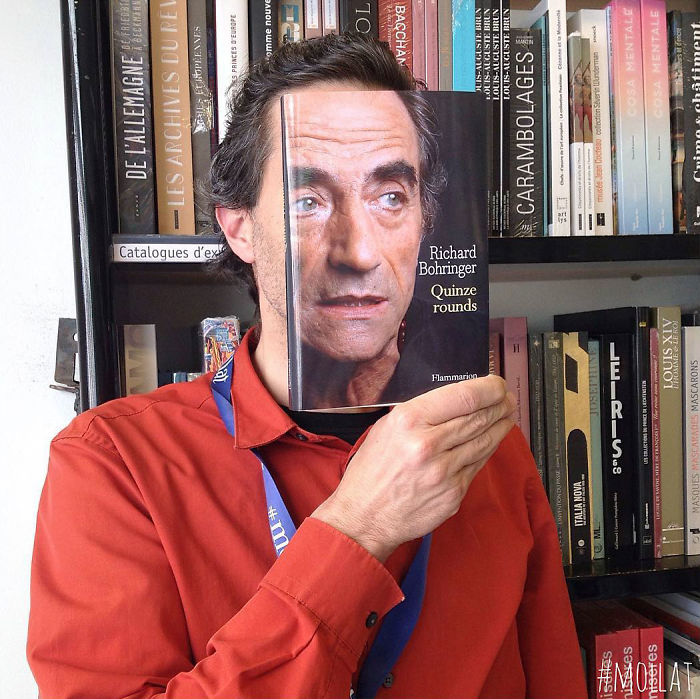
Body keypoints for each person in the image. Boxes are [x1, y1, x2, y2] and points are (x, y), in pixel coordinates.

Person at [28, 33, 588, 699]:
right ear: (239, 227)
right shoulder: (113, 465)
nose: (359, 253)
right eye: (308, 201)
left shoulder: (486, 447)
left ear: (425, 221)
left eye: (390, 196)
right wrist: (358, 529)